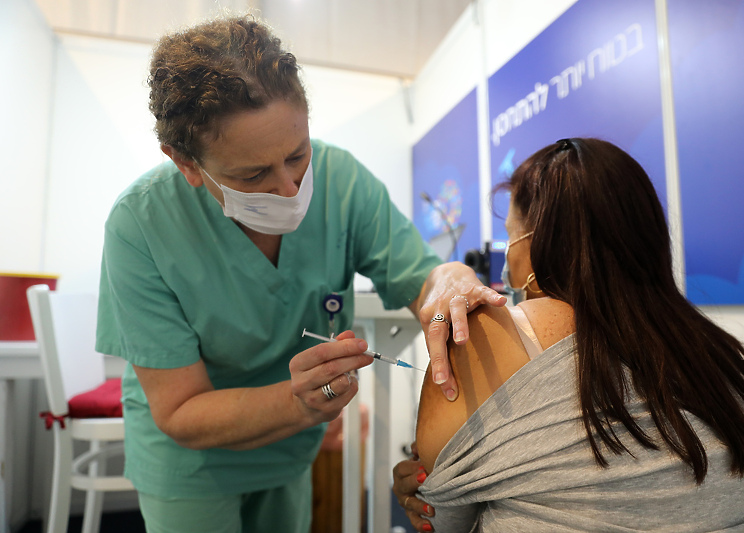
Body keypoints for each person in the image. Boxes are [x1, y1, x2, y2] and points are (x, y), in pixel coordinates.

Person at [96, 14, 504, 533]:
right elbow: (180, 411)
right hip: (191, 466)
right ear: (186, 163)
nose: (290, 188)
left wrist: (449, 281)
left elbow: (421, 279)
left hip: (290, 450)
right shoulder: (141, 224)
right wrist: (295, 400)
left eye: (297, 156)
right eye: (252, 175)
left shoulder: (342, 182)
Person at [393, 138, 744, 532]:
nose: (506, 255)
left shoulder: (483, 339)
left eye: (510, 235)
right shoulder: (719, 354)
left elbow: (441, 520)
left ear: (534, 242)